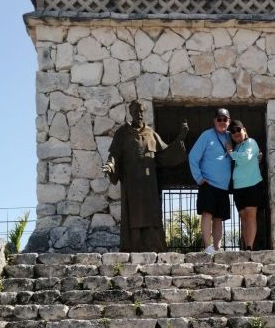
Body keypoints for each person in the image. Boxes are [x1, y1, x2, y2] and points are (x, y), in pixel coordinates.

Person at [103, 99, 188, 252]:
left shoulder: (150, 133)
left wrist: (180, 138)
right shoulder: (122, 133)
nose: (139, 114)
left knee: (151, 214)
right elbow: (114, 155)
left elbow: (165, 154)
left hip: (149, 182)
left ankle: (154, 245)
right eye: (136, 111)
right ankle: (133, 246)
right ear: (131, 113)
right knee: (133, 214)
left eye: (142, 111)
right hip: (132, 182)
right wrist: (110, 166)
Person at [188, 108, 232, 254]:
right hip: (208, 184)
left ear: (228, 122)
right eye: (219, 119)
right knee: (207, 214)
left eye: (224, 119)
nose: (221, 122)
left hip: (223, 187)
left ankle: (217, 248)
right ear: (214, 121)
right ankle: (208, 247)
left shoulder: (231, 136)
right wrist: (199, 178)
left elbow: (246, 144)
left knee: (219, 218)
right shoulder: (206, 136)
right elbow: (193, 157)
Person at [226, 119, 264, 251]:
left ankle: (249, 247)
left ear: (244, 130)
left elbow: (244, 158)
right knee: (243, 218)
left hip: (252, 184)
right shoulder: (236, 147)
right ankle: (246, 246)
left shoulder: (251, 142)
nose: (235, 133)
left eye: (238, 130)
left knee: (250, 216)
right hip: (238, 187)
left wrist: (230, 152)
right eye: (232, 132)